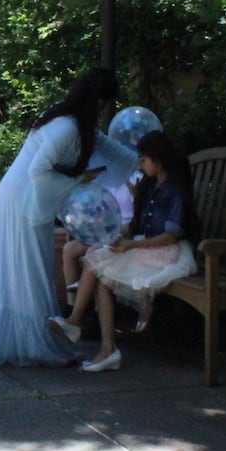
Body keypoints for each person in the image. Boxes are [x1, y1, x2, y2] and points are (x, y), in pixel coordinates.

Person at [0, 67, 115, 366]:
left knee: (25, 269)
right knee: (30, 270)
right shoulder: (67, 128)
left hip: (22, 194)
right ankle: (34, 345)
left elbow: (109, 149)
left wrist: (135, 162)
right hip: (24, 197)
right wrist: (76, 181)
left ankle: (24, 343)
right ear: (100, 102)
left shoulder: (64, 118)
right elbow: (37, 170)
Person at [48, 130, 199, 371]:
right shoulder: (149, 185)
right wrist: (120, 236)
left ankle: (78, 324)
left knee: (95, 264)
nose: (140, 164)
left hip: (168, 253)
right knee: (99, 271)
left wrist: (132, 244)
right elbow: (137, 225)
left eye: (143, 159)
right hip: (147, 247)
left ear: (158, 159)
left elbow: (171, 235)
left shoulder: (174, 189)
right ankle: (106, 348)